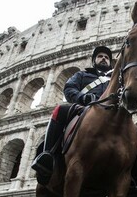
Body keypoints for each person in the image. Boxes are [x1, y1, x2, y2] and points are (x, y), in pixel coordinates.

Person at [31, 46, 113, 184]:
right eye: (100, 56)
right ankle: (47, 155)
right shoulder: (82, 75)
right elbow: (69, 89)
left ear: (110, 62)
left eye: (106, 57)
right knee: (60, 110)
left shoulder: (114, 79)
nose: (104, 58)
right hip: (83, 107)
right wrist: (82, 98)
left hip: (109, 112)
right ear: (94, 61)